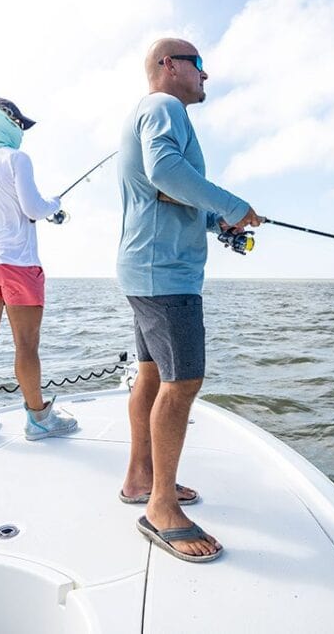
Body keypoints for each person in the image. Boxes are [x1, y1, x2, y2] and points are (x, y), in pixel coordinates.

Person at [117, 39, 263, 562]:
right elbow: (165, 173)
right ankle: (159, 509)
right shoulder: (165, 105)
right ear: (169, 66)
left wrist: (215, 218)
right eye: (199, 65)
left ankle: (141, 477)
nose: (206, 75)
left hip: (143, 267)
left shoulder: (148, 112)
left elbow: (167, 193)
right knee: (183, 383)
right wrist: (233, 204)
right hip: (167, 275)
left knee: (152, 376)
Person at [0, 97, 78, 442]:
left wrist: (1, 214)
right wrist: (53, 204)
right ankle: (39, 419)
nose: (22, 131)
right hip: (18, 262)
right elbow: (34, 207)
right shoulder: (17, 158)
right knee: (26, 343)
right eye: (19, 124)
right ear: (5, 121)